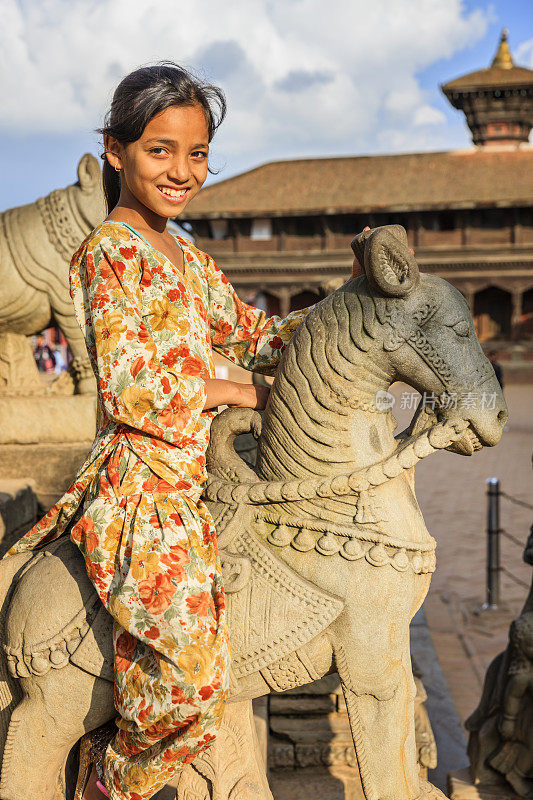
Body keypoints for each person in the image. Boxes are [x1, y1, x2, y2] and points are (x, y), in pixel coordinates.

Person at [5, 64, 363, 800]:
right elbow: (134, 389)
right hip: (141, 489)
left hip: (196, 473)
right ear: (116, 151)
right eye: (160, 149)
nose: (180, 170)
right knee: (190, 684)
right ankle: (111, 779)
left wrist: (345, 321)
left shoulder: (188, 256)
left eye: (196, 153)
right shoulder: (108, 252)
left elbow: (255, 332)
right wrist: (244, 391)